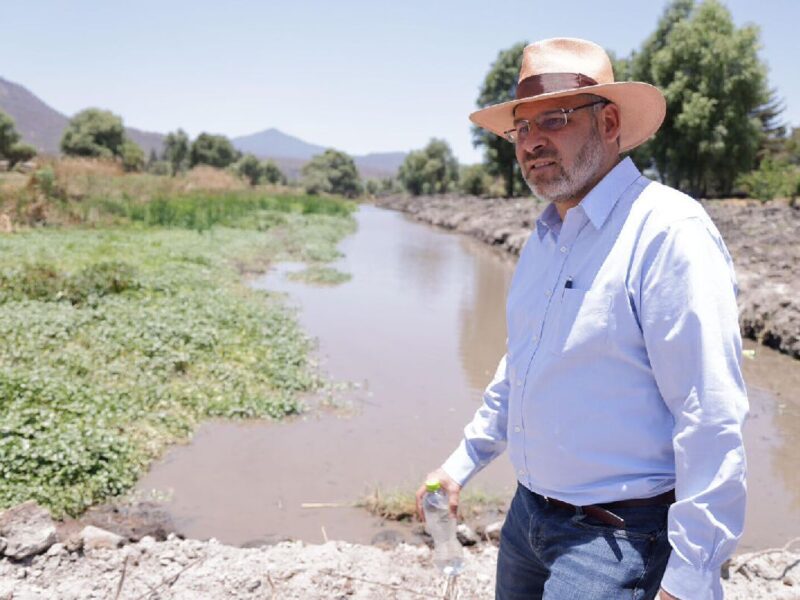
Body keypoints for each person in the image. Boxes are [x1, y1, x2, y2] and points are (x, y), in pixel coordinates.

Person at [416, 37, 748, 600]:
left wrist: (689, 580)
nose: (533, 141)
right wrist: (460, 465)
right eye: (522, 128)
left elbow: (709, 412)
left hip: (619, 540)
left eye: (556, 119)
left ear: (610, 122)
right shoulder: (545, 238)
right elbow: (521, 366)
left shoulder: (667, 232)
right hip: (528, 521)